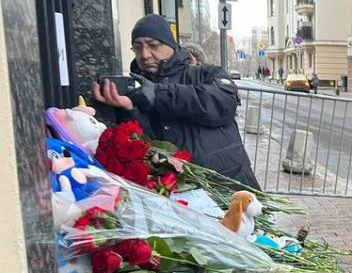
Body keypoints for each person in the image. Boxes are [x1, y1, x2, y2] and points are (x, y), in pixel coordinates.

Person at [91, 14, 259, 188]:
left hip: (231, 186)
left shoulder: (205, 74)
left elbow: (222, 104)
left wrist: (157, 94)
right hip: (183, 196)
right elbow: (150, 145)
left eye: (153, 45)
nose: (145, 54)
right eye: (137, 47)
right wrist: (129, 108)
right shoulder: (137, 90)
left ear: (171, 45)